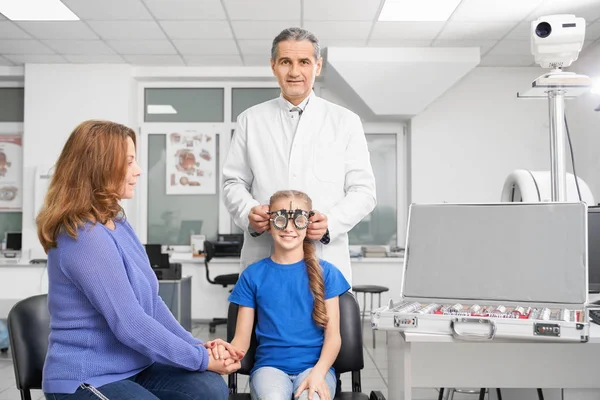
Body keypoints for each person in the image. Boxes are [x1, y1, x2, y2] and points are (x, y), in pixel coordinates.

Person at [36, 120, 243, 400]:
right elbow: (130, 322)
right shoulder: (82, 235)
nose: (138, 170)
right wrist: (201, 359)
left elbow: (151, 304)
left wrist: (198, 348)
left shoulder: (117, 222)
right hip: (85, 376)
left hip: (134, 365)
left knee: (208, 388)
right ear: (100, 167)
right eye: (129, 161)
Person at [222, 27, 376, 285]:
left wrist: (330, 224)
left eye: (304, 62)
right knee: (260, 323)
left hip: (324, 260)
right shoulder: (251, 120)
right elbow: (232, 183)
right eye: (285, 62)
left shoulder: (345, 122)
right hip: (264, 258)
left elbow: (363, 191)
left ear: (318, 66)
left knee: (327, 323)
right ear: (273, 66)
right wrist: (249, 211)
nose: (294, 72)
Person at [229, 189, 351, 400]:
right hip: (269, 369)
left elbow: (333, 337)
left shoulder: (327, 273)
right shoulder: (252, 276)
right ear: (269, 223)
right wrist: (220, 355)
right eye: (280, 219)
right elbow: (240, 342)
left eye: (299, 220)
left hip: (317, 368)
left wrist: (318, 374)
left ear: (309, 224)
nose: (289, 228)